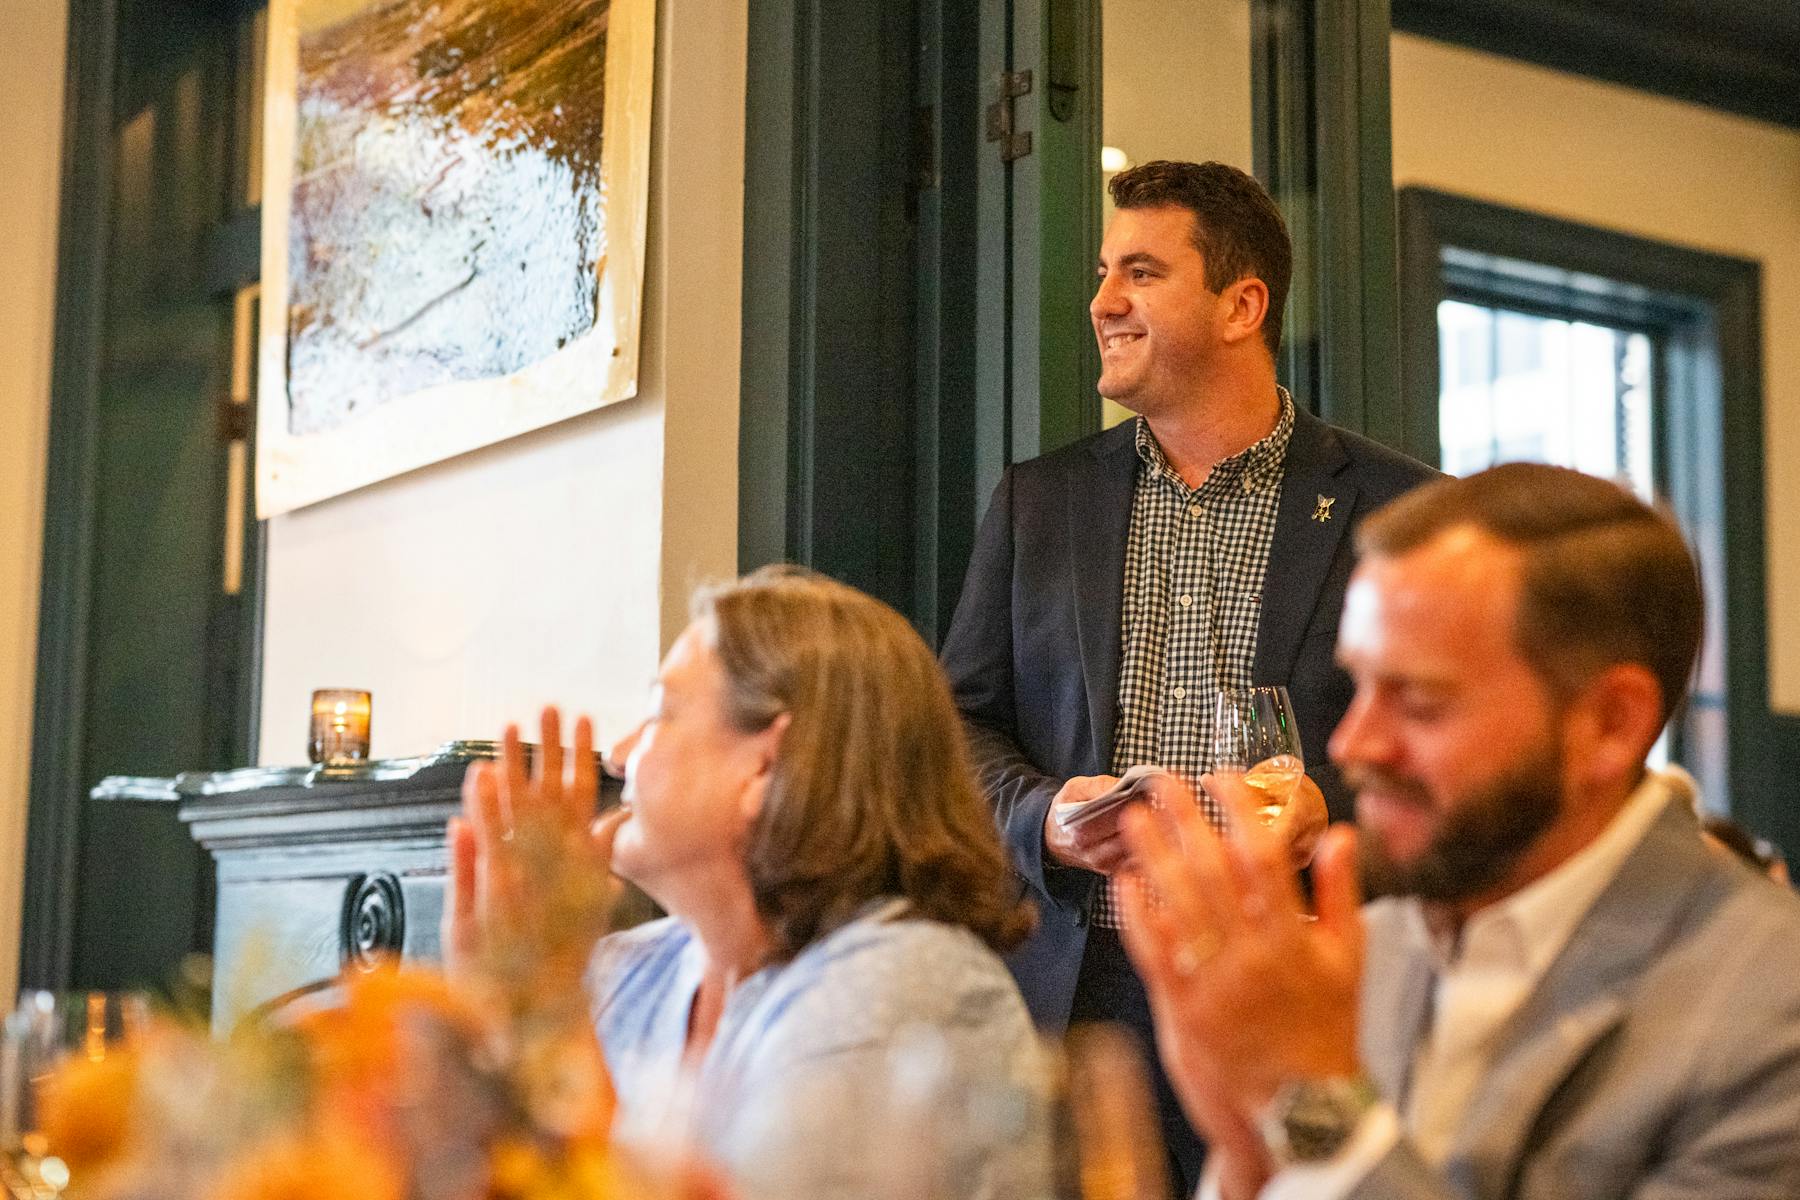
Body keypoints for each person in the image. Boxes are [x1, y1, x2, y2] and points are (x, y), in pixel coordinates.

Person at [940, 159, 1435, 1188]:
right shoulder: (1041, 501)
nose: (1102, 302)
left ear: (1241, 305)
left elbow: (1443, 756)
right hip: (1074, 997)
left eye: (1141, 272)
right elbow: (957, 725)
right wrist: (1043, 816)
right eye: (1104, 272)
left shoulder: (1403, 511)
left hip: (1292, 991)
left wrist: (1323, 813)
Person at [1118, 463, 1800, 1200]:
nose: (1351, 745)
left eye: (1418, 700)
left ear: (1610, 724)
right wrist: (1245, 1148)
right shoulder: (1372, 948)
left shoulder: (1768, 1010)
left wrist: (1313, 1105)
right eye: (1359, 685)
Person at [445, 567, 1044, 1200]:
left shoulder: (914, 983)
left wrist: (544, 1011)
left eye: (661, 715)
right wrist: (483, 1020)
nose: (620, 754)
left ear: (762, 765)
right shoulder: (627, 968)